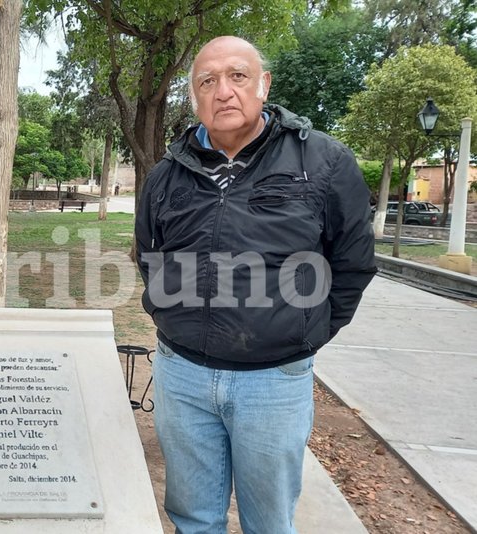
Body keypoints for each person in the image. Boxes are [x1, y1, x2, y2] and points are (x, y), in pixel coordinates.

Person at [135, 36, 376, 533]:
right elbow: (149, 256)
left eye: (238, 76)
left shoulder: (324, 163)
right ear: (195, 98)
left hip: (273, 382)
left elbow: (352, 264)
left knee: (268, 522)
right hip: (182, 377)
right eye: (208, 81)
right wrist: (169, 317)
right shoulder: (165, 175)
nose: (223, 91)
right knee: (193, 518)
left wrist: (304, 333)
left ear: (264, 85)